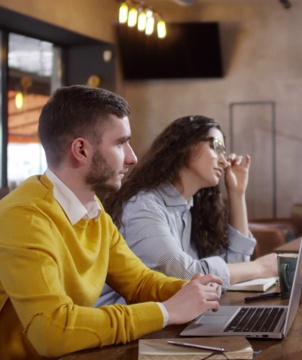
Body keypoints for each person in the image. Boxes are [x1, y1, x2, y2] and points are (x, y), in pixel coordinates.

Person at [0, 85, 223, 359]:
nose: (132, 157)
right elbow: (53, 330)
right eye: (120, 143)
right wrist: (167, 311)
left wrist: (192, 291)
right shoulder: (25, 218)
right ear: (81, 149)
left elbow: (139, 282)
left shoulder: (92, 211)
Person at [96, 115, 277, 306]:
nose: (224, 161)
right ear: (185, 145)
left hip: (168, 319)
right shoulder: (142, 207)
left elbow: (238, 263)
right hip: (127, 327)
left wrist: (237, 194)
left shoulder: (188, 208)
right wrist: (259, 267)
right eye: (216, 146)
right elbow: (186, 275)